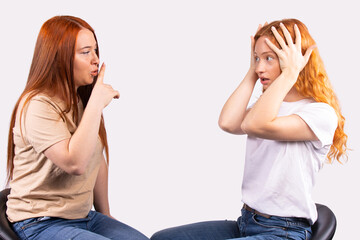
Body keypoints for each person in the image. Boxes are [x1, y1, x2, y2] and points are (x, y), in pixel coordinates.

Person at [150, 18, 348, 240]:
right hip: (247, 222)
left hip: (284, 231)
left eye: (269, 58)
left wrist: (291, 73)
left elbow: (255, 125)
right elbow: (228, 122)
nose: (260, 67)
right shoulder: (267, 107)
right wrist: (252, 72)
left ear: (292, 59)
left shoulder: (320, 113)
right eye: (256, 58)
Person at [5, 15, 150, 240]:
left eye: (95, 50)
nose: (95, 59)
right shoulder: (37, 105)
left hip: (83, 217)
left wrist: (106, 215)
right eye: (85, 52)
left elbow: (95, 158)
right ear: (59, 58)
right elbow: (75, 163)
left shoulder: (79, 100)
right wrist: (96, 104)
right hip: (39, 222)